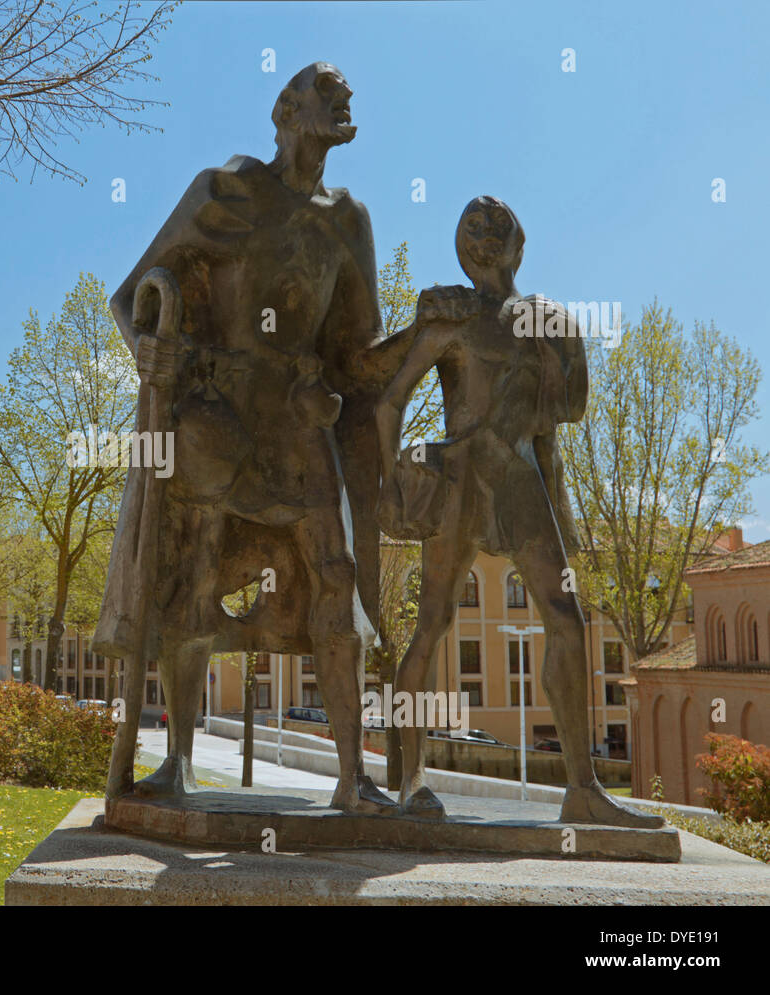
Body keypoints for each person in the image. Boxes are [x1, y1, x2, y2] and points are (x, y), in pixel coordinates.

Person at [95, 63, 395, 814]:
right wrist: (147, 348)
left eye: (346, 92)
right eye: (327, 91)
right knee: (193, 575)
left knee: (337, 573)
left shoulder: (348, 219)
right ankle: (179, 764)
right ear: (288, 110)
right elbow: (132, 297)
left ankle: (353, 779)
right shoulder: (224, 189)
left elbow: (359, 354)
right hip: (216, 417)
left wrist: (431, 338)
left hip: (298, 420)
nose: (345, 98)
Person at [375, 195, 662, 827]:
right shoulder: (448, 315)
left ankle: (581, 789)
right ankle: (412, 779)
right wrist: (391, 481)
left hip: (522, 480)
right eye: (469, 228)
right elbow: (389, 398)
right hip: (458, 477)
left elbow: (569, 408)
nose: (481, 239)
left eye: (493, 228)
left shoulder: (547, 318)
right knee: (432, 622)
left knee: (566, 617)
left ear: (517, 243)